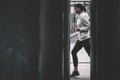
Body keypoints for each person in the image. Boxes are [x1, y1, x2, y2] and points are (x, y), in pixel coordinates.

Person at [70, 3, 91, 77]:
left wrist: (79, 28)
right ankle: (76, 71)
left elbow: (90, 26)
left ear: (79, 8)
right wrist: (77, 26)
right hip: (81, 39)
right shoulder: (81, 16)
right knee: (73, 52)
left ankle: (101, 68)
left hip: (85, 39)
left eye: (75, 8)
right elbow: (82, 27)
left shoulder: (84, 15)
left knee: (91, 55)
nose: (74, 10)